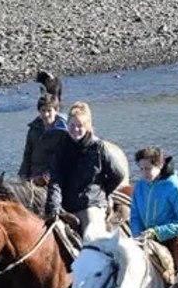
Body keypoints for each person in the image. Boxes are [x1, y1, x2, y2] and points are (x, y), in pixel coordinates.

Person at [44, 102, 126, 241]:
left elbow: (118, 174)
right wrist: (53, 206)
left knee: (93, 240)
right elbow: (56, 179)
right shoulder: (61, 148)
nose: (75, 129)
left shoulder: (98, 148)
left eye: (80, 126)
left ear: (87, 127)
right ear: (67, 125)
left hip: (91, 205)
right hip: (67, 204)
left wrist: (103, 192)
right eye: (72, 126)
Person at [130, 146, 178, 268]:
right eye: (141, 169)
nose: (144, 173)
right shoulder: (139, 186)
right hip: (146, 235)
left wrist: (157, 232)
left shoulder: (174, 187)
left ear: (160, 166)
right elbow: (135, 216)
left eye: (148, 168)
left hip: (175, 235)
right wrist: (137, 235)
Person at [18, 93, 67, 183]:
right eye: (43, 110)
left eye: (49, 111)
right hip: (32, 176)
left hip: (52, 179)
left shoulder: (63, 133)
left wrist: (46, 177)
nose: (46, 114)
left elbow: (63, 160)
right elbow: (27, 153)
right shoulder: (34, 129)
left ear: (56, 110)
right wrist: (23, 173)